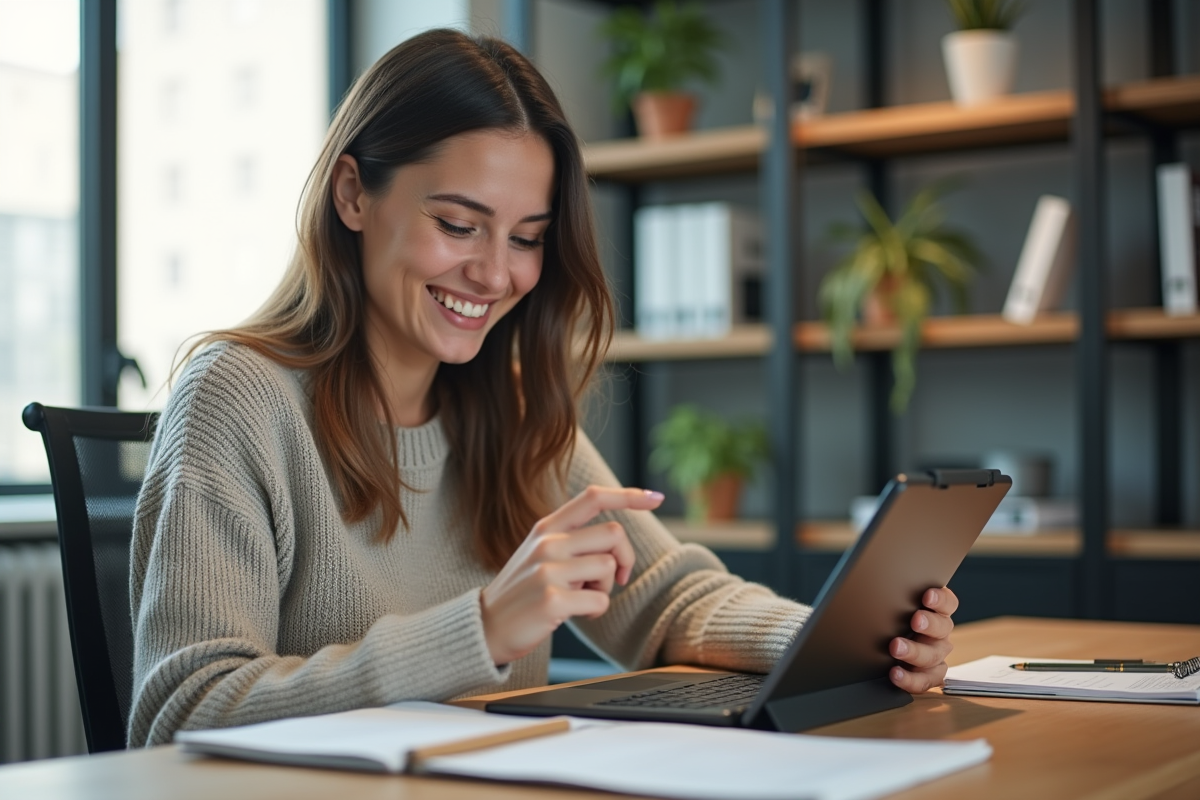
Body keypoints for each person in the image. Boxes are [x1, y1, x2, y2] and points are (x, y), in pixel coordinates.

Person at [128, 28, 959, 748]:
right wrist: (483, 627)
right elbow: (180, 712)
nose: (494, 273)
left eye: (526, 238)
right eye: (457, 225)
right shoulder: (238, 396)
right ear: (353, 193)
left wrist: (843, 641)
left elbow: (664, 601)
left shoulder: (507, 400)